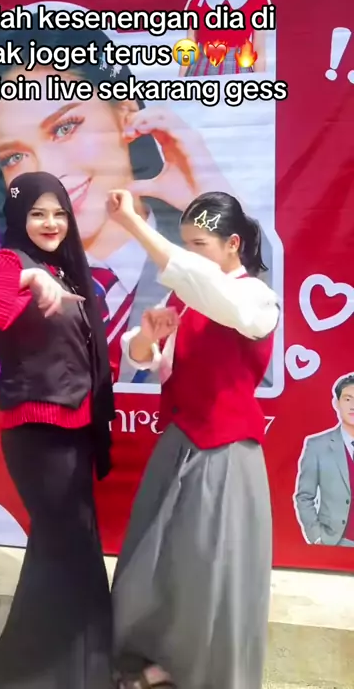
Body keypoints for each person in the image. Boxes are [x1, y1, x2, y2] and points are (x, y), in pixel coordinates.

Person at [0, 5, 256, 384]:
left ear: (126, 111)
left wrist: (222, 215)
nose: (48, 173)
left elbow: (264, 372)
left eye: (65, 127)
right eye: (14, 157)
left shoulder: (211, 269)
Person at [0, 171, 115, 689]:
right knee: (70, 555)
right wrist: (26, 280)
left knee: (64, 552)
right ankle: (63, 675)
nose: (51, 223)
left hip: (74, 429)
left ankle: (43, 671)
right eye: (38, 213)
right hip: (39, 433)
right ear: (19, 217)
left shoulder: (68, 269)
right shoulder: (11, 262)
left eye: (59, 213)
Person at [105, 189, 280, 689]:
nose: (190, 254)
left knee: (210, 572)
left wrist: (135, 226)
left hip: (225, 451)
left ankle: (207, 674)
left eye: (199, 244)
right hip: (179, 443)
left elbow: (214, 294)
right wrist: (146, 337)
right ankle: (160, 661)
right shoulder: (184, 295)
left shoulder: (255, 298)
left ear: (233, 244)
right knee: (157, 562)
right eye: (186, 244)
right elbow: (147, 358)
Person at [294, 373, 354, 548]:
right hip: (335, 543)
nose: (353, 406)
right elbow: (304, 496)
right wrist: (317, 537)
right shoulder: (317, 445)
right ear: (336, 403)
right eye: (348, 399)